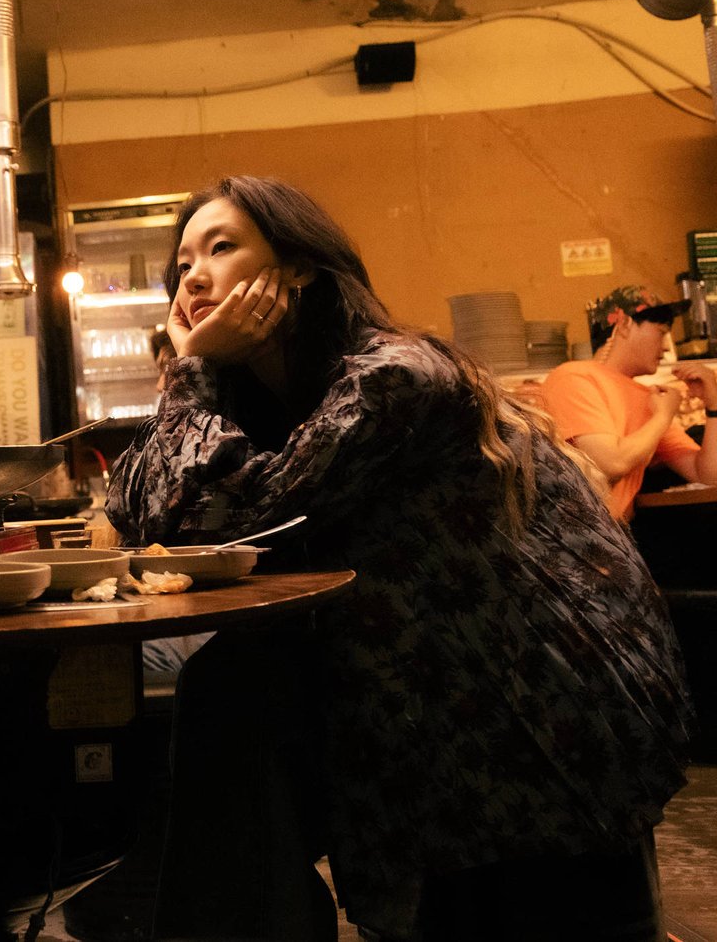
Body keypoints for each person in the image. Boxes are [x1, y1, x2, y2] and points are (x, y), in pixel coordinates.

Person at [106, 176, 693, 942]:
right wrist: (195, 375)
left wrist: (191, 371)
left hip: (537, 712)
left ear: (297, 267)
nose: (193, 278)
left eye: (220, 248)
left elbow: (243, 517)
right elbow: (145, 518)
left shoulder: (396, 376)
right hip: (435, 700)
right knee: (227, 688)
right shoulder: (279, 403)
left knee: (231, 697)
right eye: (182, 264)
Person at [541, 285, 717, 519]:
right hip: (571, 533)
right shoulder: (574, 377)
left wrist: (713, 404)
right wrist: (663, 416)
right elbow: (610, 464)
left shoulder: (647, 398)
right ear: (624, 324)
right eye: (661, 332)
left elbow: (708, 475)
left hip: (616, 532)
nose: (666, 346)